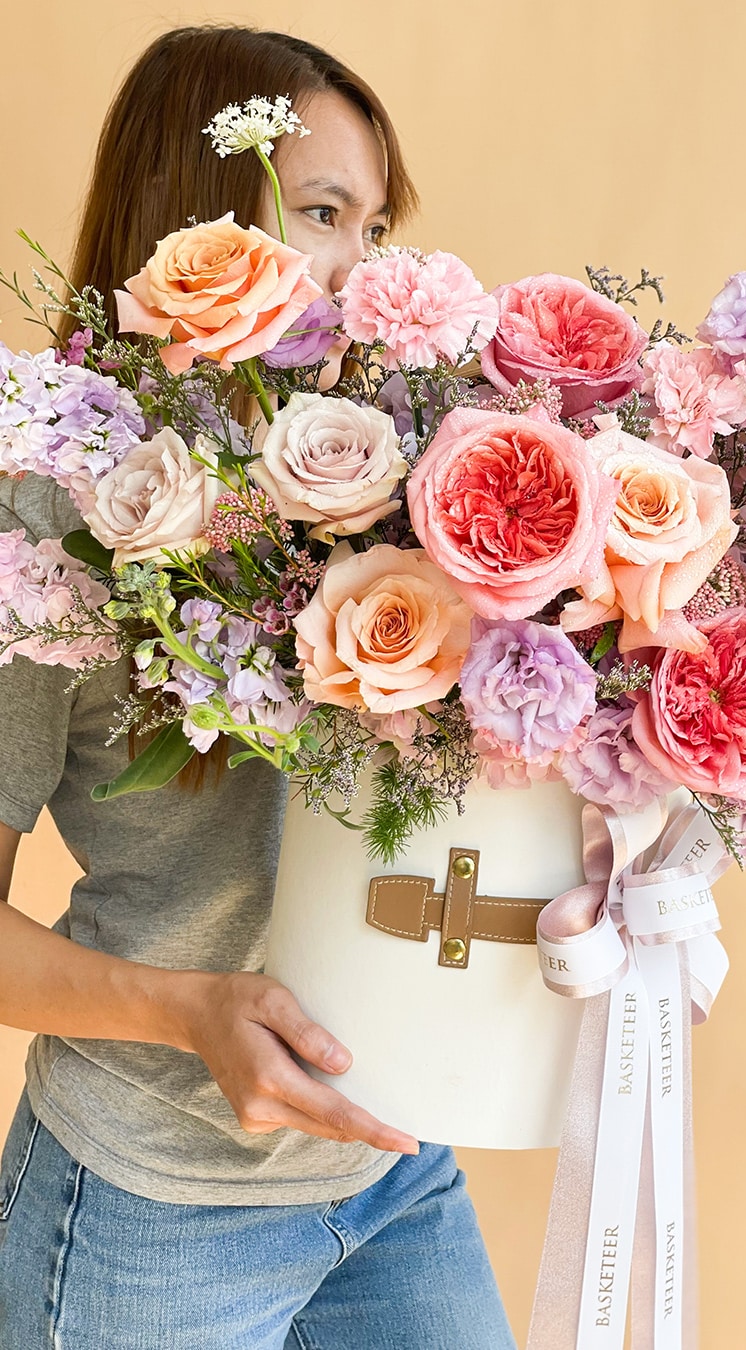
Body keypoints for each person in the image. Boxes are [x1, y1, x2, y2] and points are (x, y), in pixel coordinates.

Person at [0, 25, 516, 1350]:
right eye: (326, 212)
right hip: (147, 1203)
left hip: (390, 1166)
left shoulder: (401, 471)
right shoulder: (51, 506)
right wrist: (192, 1012)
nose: (365, 265)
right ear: (200, 222)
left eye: (378, 223)